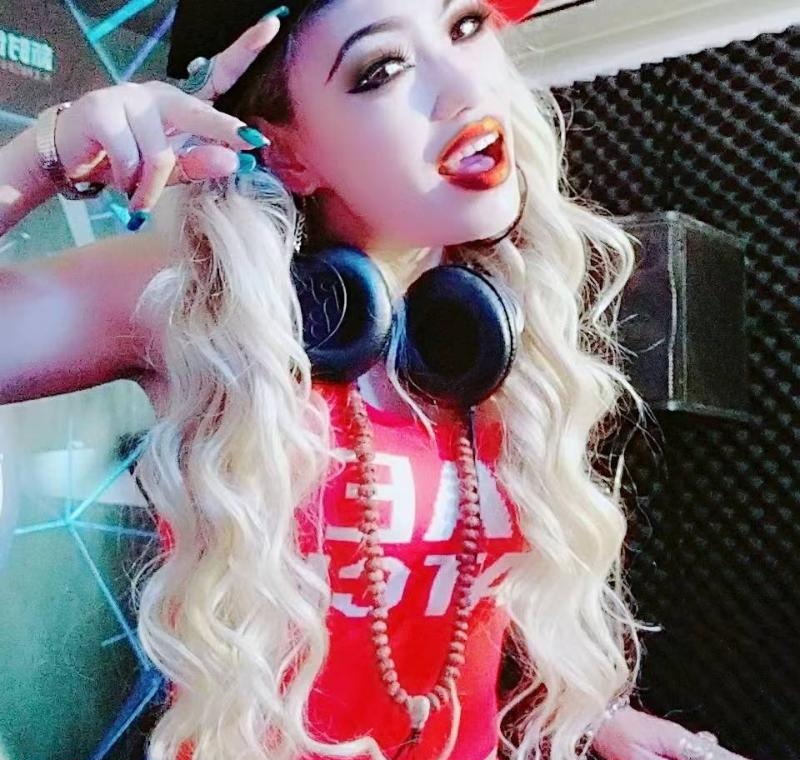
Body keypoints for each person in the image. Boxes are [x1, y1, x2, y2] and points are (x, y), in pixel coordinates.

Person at [0, 1, 754, 759]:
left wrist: (592, 718)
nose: (466, 88)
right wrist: (44, 153)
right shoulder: (200, 306)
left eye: (464, 26)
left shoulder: (492, 326)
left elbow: (469, 617)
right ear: (290, 154)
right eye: (382, 68)